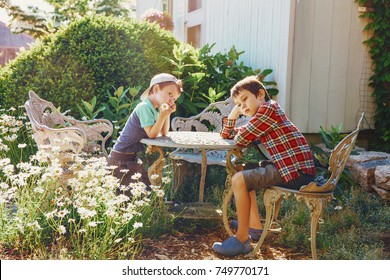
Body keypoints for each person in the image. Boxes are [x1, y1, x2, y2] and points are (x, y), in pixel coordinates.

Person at [212, 76, 316, 256]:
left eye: (244, 99)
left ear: (260, 94)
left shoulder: (268, 110)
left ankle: (242, 239)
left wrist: (235, 122)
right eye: (238, 104)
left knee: (239, 179)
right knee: (242, 170)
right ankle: (253, 225)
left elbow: (241, 138)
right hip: (289, 167)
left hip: (296, 172)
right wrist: (233, 115)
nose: (242, 106)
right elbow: (229, 135)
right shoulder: (264, 114)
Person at [107, 73, 182, 191]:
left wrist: (167, 114)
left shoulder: (153, 110)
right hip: (120, 160)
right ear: (156, 89)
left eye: (174, 99)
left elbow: (163, 133)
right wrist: (162, 116)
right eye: (170, 94)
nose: (171, 100)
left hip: (131, 158)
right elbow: (152, 134)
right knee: (128, 196)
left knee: (145, 190)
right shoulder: (144, 107)